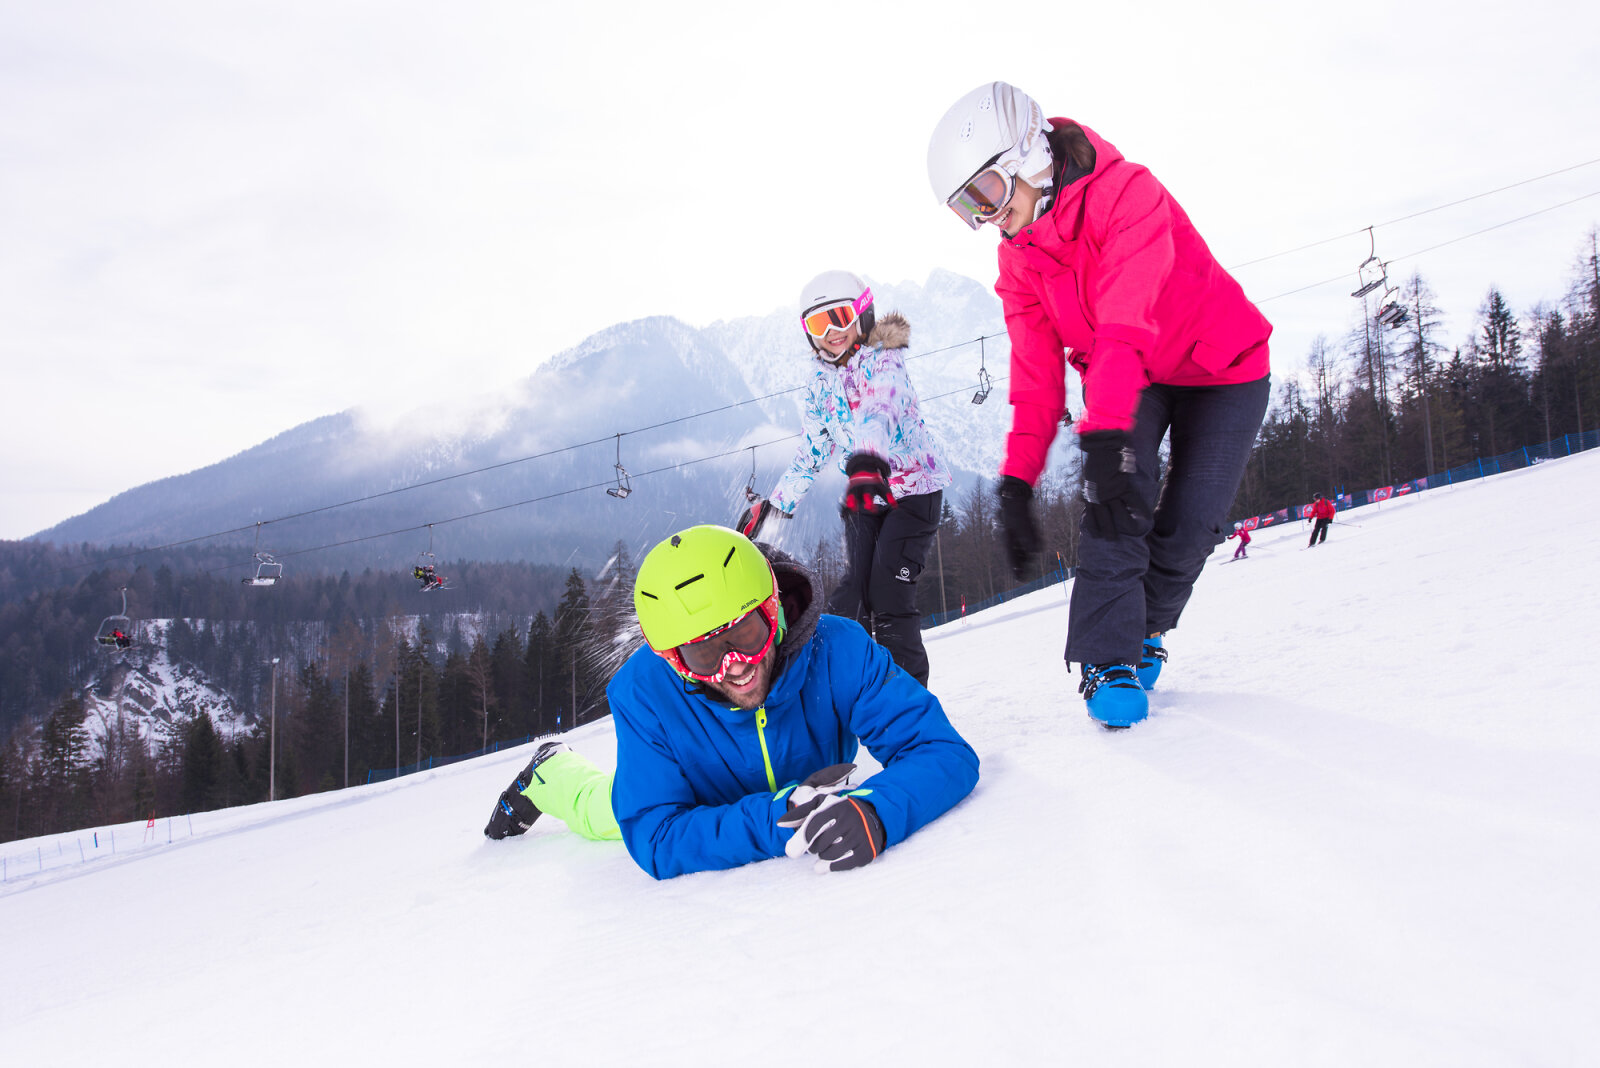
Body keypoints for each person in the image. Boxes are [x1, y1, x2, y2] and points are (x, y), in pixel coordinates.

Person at [926, 81, 1272, 728]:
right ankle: (1105, 660)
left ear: (1028, 157)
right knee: (1116, 503)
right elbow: (1034, 377)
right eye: (967, 209)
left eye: (988, 194)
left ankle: (1144, 633)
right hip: (1129, 373)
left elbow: (1123, 323)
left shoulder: (1129, 194)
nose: (987, 218)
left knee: (1191, 519)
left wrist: (1108, 436)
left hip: (1222, 367)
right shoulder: (1018, 263)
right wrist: (1015, 482)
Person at [482, 524, 979, 880]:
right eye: (703, 654)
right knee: (603, 811)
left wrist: (878, 812)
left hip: (760, 793)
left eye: (745, 633)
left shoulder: (840, 650)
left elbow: (944, 751)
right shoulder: (645, 694)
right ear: (674, 660)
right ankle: (549, 771)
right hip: (697, 797)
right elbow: (656, 834)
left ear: (775, 609)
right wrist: (776, 817)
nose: (735, 665)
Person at [737, 270, 952, 687]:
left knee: (888, 595)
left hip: (912, 490)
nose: (832, 332)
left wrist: (867, 462)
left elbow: (879, 411)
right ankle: (835, 687)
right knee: (851, 597)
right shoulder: (820, 381)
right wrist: (776, 505)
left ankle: (907, 697)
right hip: (863, 495)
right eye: (819, 324)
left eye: (840, 317)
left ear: (864, 314)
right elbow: (814, 450)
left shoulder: (885, 361)